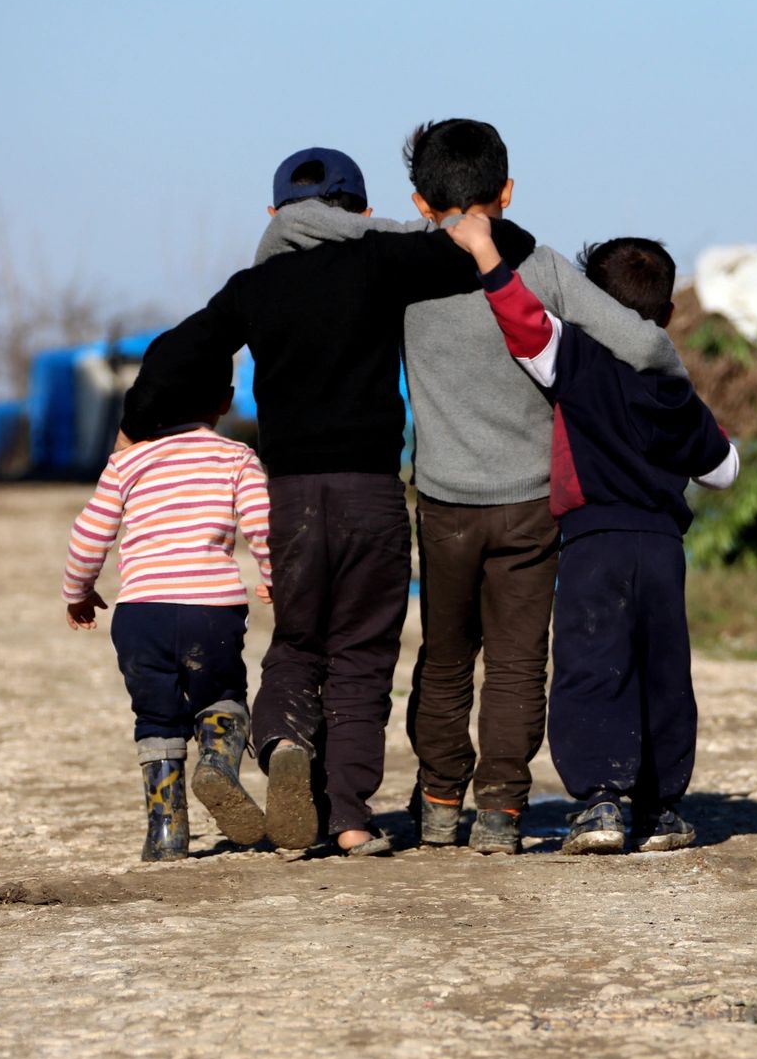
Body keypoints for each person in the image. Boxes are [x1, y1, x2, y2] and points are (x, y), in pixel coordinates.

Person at [253, 121, 689, 856]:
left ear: (420, 202)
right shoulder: (543, 267)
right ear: (507, 189)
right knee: (518, 665)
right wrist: (677, 398)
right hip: (531, 505)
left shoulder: (402, 261)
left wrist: (353, 225)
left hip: (444, 502)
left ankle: (437, 805)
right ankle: (501, 813)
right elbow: (643, 343)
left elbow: (303, 232)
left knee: (446, 659)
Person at [120, 147, 536, 856]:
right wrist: (418, 230)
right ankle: (348, 818)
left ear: (273, 214)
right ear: (363, 212)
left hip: (290, 499)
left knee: (299, 643)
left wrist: (132, 428)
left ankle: (285, 742)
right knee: (362, 656)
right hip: (369, 493)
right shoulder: (380, 258)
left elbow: (174, 351)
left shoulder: (253, 287)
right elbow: (503, 241)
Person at [447, 216, 738, 854]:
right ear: (666, 314)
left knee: (592, 665)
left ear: (589, 303)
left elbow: (524, 321)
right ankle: (661, 810)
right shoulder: (673, 388)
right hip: (661, 547)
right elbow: (724, 469)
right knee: (663, 670)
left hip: (592, 541)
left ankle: (601, 803)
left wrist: (486, 253)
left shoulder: (576, 358)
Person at [62, 358, 272, 860]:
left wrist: (78, 591)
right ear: (225, 402)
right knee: (222, 695)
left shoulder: (127, 462)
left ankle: (166, 833)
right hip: (212, 613)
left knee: (155, 715)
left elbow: (88, 535)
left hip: (141, 616)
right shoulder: (236, 457)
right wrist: (275, 577)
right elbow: (264, 525)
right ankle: (217, 766)